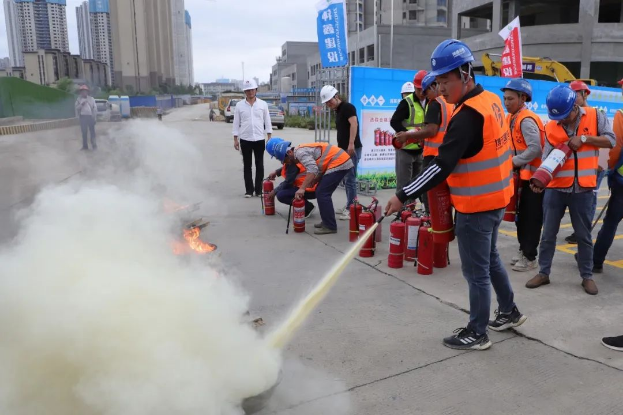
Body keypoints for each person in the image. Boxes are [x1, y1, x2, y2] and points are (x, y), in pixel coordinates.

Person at [385, 39, 526, 351]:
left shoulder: (467, 117)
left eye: (445, 80)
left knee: (476, 272)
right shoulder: (489, 100)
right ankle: (509, 311)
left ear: (465, 73)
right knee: (490, 260)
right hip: (498, 199)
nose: (441, 88)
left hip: (476, 205)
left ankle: (477, 332)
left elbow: (441, 166)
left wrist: (403, 194)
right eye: (437, 82)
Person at [525, 85, 615, 295]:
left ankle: (587, 276)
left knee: (583, 236)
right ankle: (543, 273)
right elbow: (547, 158)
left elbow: (611, 140)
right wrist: (539, 180)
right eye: (559, 118)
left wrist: (584, 139)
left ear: (575, 106)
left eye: (565, 116)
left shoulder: (595, 116)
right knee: (548, 234)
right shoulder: (551, 126)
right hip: (556, 189)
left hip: (583, 189)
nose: (562, 121)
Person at [500, 78, 545, 272]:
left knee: (530, 218)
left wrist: (512, 163)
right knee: (521, 216)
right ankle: (523, 250)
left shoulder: (526, 119)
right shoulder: (512, 118)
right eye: (505, 98)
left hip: (534, 180)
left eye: (510, 98)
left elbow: (535, 148)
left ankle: (530, 256)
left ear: (523, 98)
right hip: (522, 177)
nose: (506, 102)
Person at [266, 138, 353, 235]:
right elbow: (319, 165)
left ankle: (330, 226)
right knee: (321, 191)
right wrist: (317, 178)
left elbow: (312, 169)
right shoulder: (298, 153)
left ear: (290, 152)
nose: (288, 163)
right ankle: (327, 222)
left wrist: (302, 188)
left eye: (286, 160)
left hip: (340, 162)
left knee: (322, 193)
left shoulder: (300, 153)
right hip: (338, 161)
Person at [394, 73, 453, 212]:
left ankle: (430, 221)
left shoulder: (434, 104)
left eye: (426, 91)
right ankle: (438, 223)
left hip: (432, 155)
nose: (424, 94)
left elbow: (432, 131)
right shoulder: (448, 103)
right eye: (420, 90)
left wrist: (408, 135)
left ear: (434, 86)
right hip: (442, 154)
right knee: (440, 194)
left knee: (428, 192)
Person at [565, 80, 606, 244]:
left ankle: (583, 231)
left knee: (590, 200)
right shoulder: (571, 115)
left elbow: (607, 141)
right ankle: (580, 230)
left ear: (584, 94)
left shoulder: (596, 114)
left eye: (575, 94)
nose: (573, 98)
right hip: (578, 168)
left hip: (594, 167)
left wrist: (600, 163)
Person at [320, 85, 362, 220]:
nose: (328, 104)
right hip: (343, 150)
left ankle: (352, 208)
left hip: (351, 149)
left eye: (329, 101)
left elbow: (354, 124)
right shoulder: (338, 110)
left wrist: (351, 144)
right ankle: (350, 204)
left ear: (336, 96)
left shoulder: (348, 107)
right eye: (326, 103)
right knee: (347, 179)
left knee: (350, 179)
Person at [390, 72, 427, 206]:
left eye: (424, 89)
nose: (422, 92)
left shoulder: (430, 102)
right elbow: (394, 122)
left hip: (420, 150)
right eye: (419, 89)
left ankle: (412, 213)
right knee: (404, 185)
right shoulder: (407, 103)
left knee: (418, 185)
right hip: (405, 150)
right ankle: (402, 215)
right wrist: (408, 134)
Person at [233, 79, 273, 198]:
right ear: (245, 92)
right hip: (245, 139)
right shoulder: (239, 106)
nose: (250, 92)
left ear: (256, 90)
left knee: (259, 165)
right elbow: (236, 123)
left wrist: (269, 137)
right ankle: (249, 190)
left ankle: (259, 190)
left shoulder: (262, 104)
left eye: (252, 89)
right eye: (247, 90)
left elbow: (267, 121)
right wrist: (235, 139)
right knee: (247, 165)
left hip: (259, 138)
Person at [266, 138, 317, 217]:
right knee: (282, 190)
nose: (278, 159)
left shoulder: (292, 162)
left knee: (281, 195)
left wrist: (274, 191)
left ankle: (308, 207)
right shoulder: (293, 154)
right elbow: (287, 167)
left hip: (310, 189)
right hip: (312, 186)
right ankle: (305, 206)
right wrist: (276, 172)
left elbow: (288, 182)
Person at [75, 85, 97, 151]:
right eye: (82, 91)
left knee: (92, 132)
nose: (84, 92)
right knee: (84, 132)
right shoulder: (78, 100)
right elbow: (76, 108)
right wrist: (81, 105)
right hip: (82, 117)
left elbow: (94, 109)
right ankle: (85, 146)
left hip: (90, 117)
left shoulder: (91, 99)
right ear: (80, 92)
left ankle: (94, 145)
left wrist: (94, 118)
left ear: (87, 92)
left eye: (85, 91)